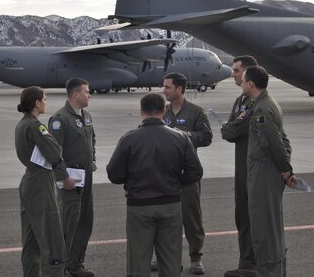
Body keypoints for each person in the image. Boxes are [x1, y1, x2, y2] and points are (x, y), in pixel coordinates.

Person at [106, 93, 203, 277]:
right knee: (170, 259)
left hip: (139, 205)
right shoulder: (181, 138)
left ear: (141, 112)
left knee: (138, 260)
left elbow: (114, 174)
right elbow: (195, 171)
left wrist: (132, 180)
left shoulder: (129, 139)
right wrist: (176, 183)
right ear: (164, 111)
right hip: (171, 203)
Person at [15, 86, 76, 277]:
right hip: (41, 182)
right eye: (45, 99)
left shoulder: (22, 124)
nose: (46, 102)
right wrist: (64, 174)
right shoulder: (35, 126)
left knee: (31, 238)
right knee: (51, 236)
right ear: (37, 103)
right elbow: (54, 151)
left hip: (29, 181)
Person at [155, 72, 212, 275]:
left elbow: (207, 137)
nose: (164, 90)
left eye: (168, 87)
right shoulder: (162, 112)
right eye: (164, 86)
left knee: (191, 216)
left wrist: (185, 135)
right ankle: (163, 256)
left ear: (179, 89)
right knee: (164, 218)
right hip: (165, 175)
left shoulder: (196, 112)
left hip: (187, 175)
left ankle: (196, 257)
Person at [242, 66, 296, 277]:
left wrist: (286, 170)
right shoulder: (269, 103)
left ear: (251, 84)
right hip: (269, 169)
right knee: (271, 225)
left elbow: (273, 143)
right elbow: (284, 141)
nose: (241, 83)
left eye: (243, 80)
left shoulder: (261, 110)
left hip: (264, 172)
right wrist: (285, 167)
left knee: (263, 228)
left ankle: (270, 272)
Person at [49, 78, 96, 277]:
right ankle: (60, 266)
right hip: (70, 178)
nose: (89, 95)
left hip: (85, 175)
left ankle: (76, 264)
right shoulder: (60, 119)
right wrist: (63, 177)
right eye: (86, 92)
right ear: (75, 94)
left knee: (85, 220)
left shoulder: (86, 116)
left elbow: (91, 138)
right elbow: (53, 153)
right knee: (68, 223)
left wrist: (92, 158)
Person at [220, 56, 259, 277]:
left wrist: (230, 127)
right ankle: (246, 263)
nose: (233, 74)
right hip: (241, 166)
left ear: (247, 74)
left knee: (253, 217)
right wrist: (230, 127)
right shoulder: (240, 100)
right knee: (242, 216)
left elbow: (233, 130)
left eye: (236, 71)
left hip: (252, 168)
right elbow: (230, 129)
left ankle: (255, 263)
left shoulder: (254, 102)